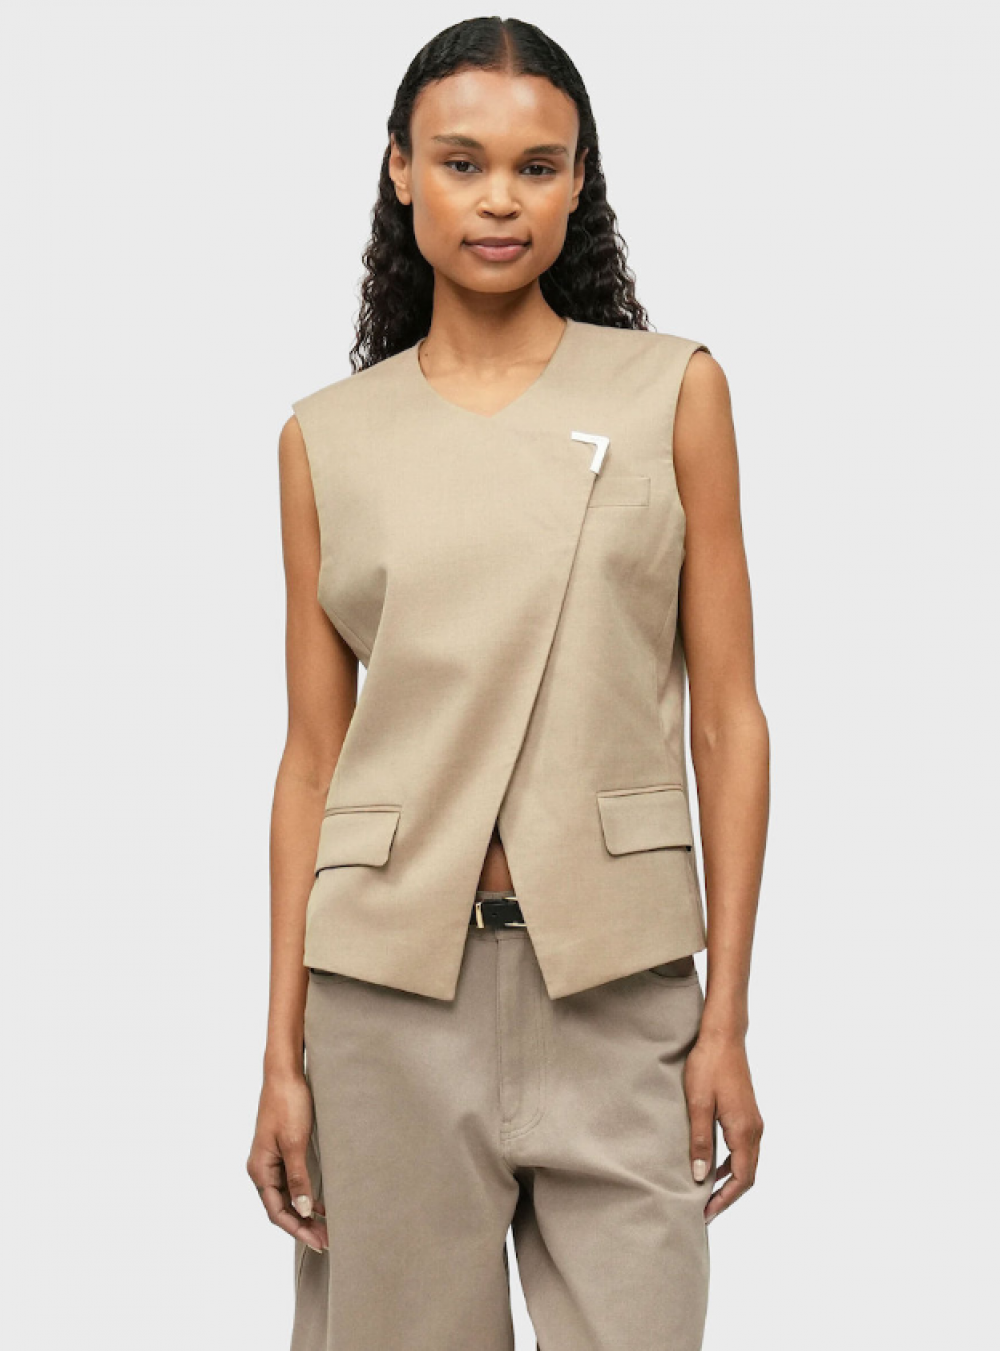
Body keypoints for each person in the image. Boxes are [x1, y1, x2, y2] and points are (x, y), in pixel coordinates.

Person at [247, 16, 767, 1351]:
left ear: (580, 182)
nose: (499, 199)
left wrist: (725, 1016)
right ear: (399, 169)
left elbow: (729, 719)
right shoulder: (325, 439)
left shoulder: (674, 392)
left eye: (538, 167)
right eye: (462, 160)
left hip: (621, 982)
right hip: (384, 999)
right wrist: (280, 1057)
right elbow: (312, 759)